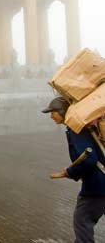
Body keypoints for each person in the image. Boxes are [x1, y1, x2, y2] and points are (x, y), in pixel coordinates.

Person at [43, 96, 105, 243]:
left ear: (62, 111)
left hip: (97, 186)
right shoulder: (85, 127)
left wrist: (70, 172)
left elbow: (89, 160)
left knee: (82, 219)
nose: (51, 116)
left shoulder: (76, 129)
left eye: (53, 112)